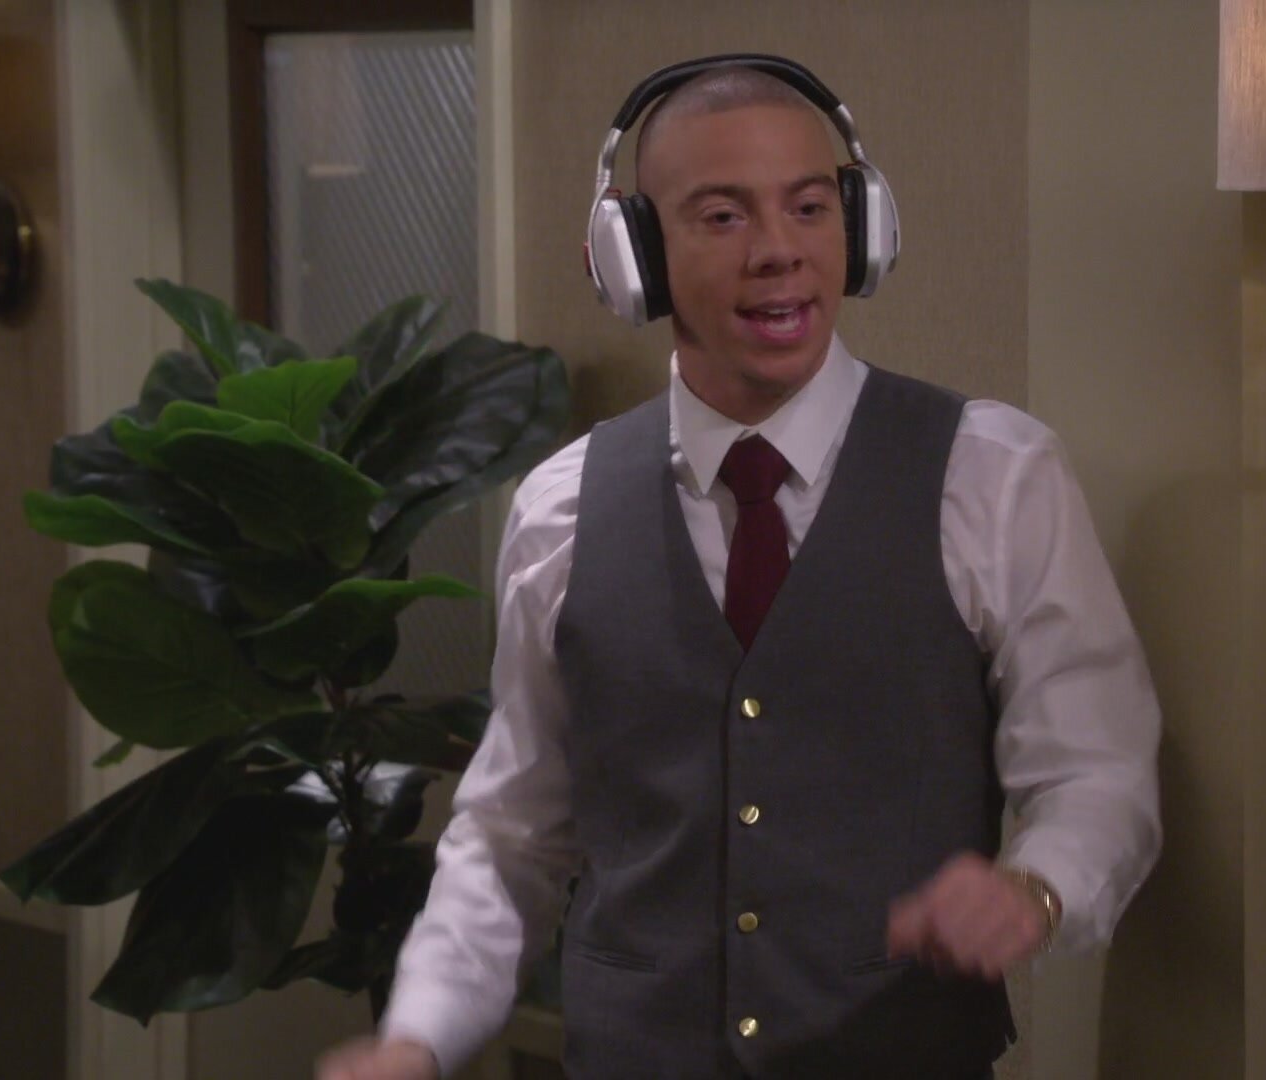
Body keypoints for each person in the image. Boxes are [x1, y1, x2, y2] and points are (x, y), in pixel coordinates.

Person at [317, 55, 1161, 1080]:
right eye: (722, 216)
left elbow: (1096, 773)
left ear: (860, 228)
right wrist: (418, 1038)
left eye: (809, 207)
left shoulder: (995, 475)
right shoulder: (560, 511)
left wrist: (1035, 889)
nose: (778, 252)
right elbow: (511, 836)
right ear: (634, 255)